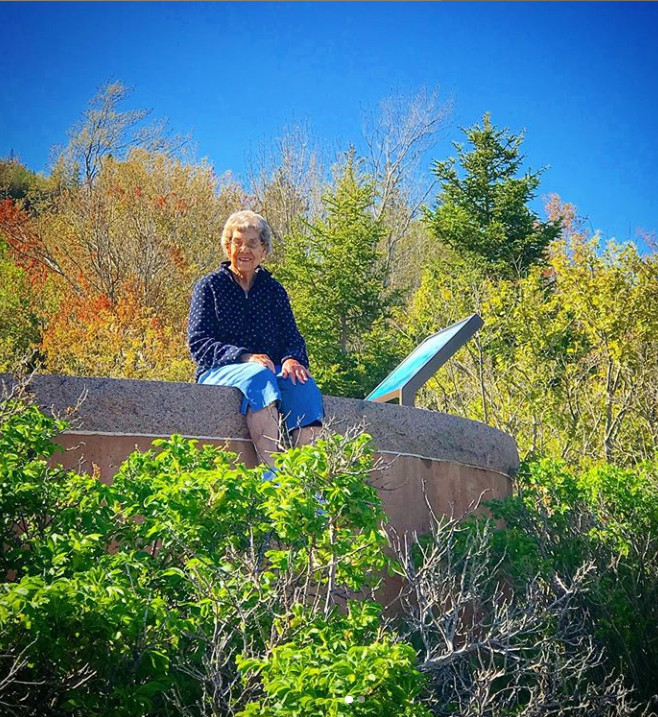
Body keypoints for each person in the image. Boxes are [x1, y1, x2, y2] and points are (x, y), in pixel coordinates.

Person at [187, 210, 323, 467]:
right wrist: (245, 357)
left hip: (271, 371)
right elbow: (198, 343)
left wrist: (292, 359)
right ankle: (271, 473)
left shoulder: (274, 290)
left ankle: (307, 478)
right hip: (220, 370)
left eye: (252, 243)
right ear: (227, 247)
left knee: (302, 383)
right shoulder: (210, 286)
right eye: (237, 242)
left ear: (264, 250)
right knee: (259, 376)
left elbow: (292, 336)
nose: (244, 250)